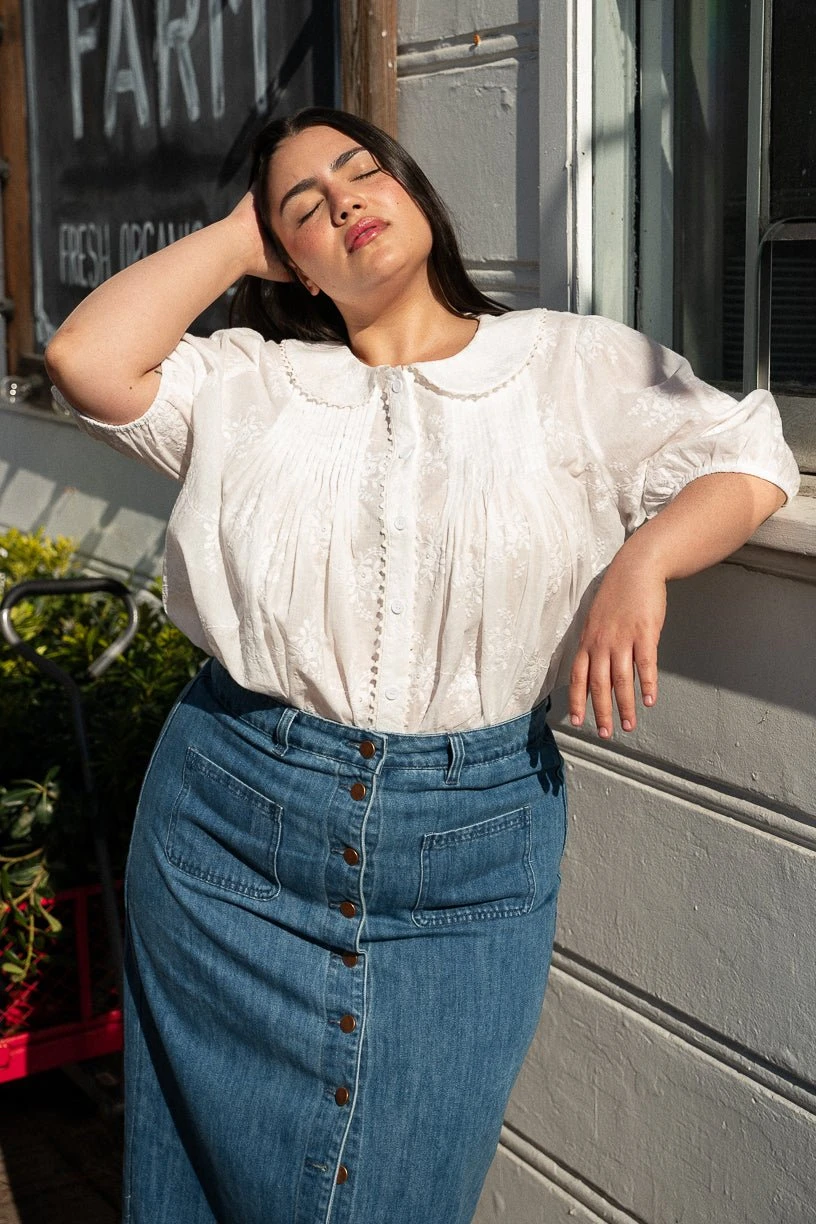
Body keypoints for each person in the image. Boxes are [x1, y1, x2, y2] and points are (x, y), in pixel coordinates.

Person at [45, 107, 799, 1224]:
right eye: (303, 204)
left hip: (469, 841)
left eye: (360, 171)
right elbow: (83, 357)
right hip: (226, 820)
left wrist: (646, 560)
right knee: (196, 1182)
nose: (343, 199)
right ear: (286, 260)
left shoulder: (568, 364)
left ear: (414, 193)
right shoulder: (249, 382)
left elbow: (747, 455)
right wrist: (238, 236)